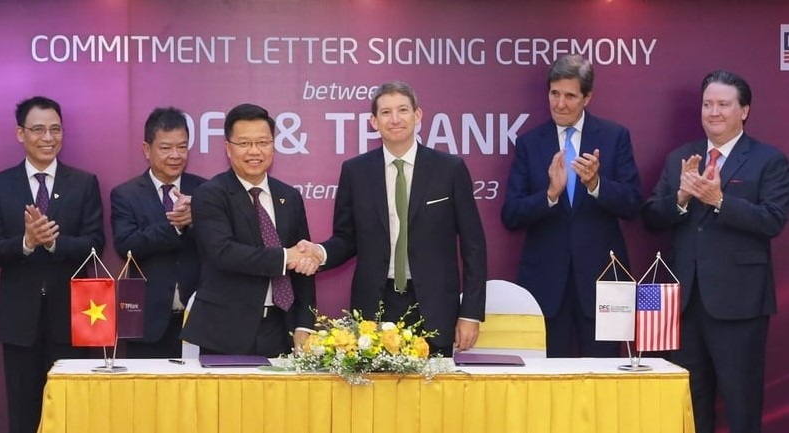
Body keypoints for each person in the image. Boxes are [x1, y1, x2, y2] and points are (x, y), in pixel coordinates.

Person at [642, 70, 789, 433]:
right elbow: (650, 217)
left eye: (723, 104)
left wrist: (719, 200)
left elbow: (772, 220)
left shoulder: (769, 160)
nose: (713, 112)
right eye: (707, 104)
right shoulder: (681, 156)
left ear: (744, 111)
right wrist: (681, 198)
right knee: (690, 403)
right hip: (684, 305)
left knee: (741, 404)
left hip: (740, 306)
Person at [297, 81, 487, 356]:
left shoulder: (449, 169)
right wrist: (321, 252)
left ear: (418, 115)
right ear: (374, 121)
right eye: (385, 113)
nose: (395, 119)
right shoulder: (355, 171)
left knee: (435, 397)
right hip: (375, 307)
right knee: (374, 398)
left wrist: (470, 313)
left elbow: (474, 246)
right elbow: (347, 238)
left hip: (435, 308)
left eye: (403, 110)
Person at [501, 54, 642, 358]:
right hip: (547, 285)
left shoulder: (614, 137)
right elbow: (511, 214)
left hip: (604, 284)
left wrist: (596, 185)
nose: (560, 104)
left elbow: (633, 204)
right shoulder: (529, 143)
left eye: (569, 96)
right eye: (554, 93)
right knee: (549, 386)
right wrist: (550, 194)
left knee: (605, 383)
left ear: (587, 97)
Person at [0, 96, 104, 433]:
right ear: (21, 134)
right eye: (38, 129)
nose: (48, 138)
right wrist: (26, 243)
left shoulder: (83, 183)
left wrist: (53, 243)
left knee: (74, 413)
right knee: (23, 414)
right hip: (19, 321)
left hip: (73, 320)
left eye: (55, 129)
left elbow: (96, 244)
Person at [180, 103, 316, 357]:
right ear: (228, 148)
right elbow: (223, 252)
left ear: (274, 145)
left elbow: (304, 262)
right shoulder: (210, 194)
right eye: (244, 143)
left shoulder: (290, 196)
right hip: (226, 331)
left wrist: (304, 324)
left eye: (263, 142)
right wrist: (286, 257)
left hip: (281, 328)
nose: (255, 151)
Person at [110, 107, 206, 358]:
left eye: (182, 147)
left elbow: (219, 244)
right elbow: (126, 245)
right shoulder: (126, 194)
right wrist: (175, 225)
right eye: (166, 148)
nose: (175, 155)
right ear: (146, 149)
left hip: (199, 321)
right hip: (147, 324)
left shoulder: (206, 190)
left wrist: (195, 221)